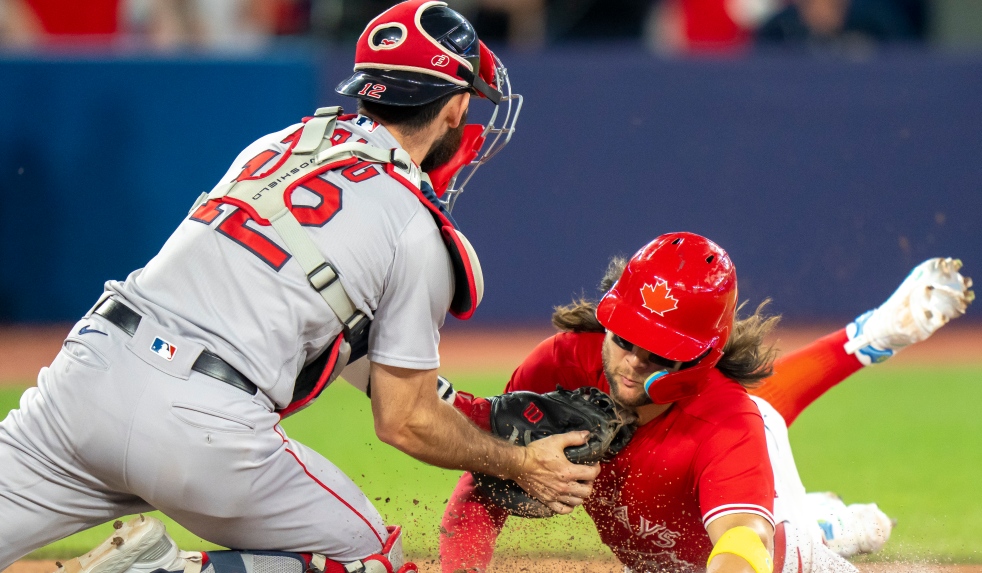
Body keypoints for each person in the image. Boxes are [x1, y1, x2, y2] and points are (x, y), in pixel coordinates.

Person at [0, 2, 597, 573]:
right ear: (454, 106)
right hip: (202, 426)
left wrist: (475, 412)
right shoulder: (415, 228)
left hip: (84, 381)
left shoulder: (276, 147)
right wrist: (519, 463)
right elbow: (404, 421)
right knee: (371, 562)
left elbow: (329, 328)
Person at [438, 232, 974, 573]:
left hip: (771, 557)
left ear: (700, 357)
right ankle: (820, 514)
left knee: (773, 481)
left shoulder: (727, 420)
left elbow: (741, 547)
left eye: (658, 354)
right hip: (665, 553)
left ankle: (819, 529)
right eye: (622, 338)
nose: (629, 363)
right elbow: (481, 487)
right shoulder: (560, 364)